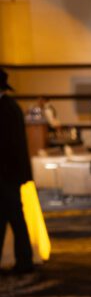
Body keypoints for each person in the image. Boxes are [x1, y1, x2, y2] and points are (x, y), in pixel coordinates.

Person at [0, 68, 34, 276]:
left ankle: (25, 261)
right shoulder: (10, 107)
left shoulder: (7, 109)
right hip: (9, 175)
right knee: (10, 217)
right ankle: (24, 260)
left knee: (14, 218)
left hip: (7, 175)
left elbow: (10, 146)